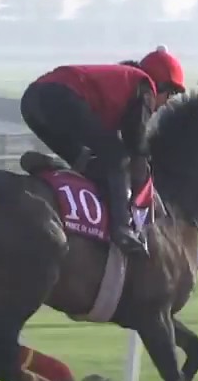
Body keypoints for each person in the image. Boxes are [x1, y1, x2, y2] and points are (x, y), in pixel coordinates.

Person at [20, 45, 186, 257]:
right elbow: (135, 143)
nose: (165, 104)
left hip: (32, 100)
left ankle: (49, 166)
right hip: (59, 97)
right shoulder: (145, 88)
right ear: (161, 85)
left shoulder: (125, 80)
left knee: (86, 159)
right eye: (169, 95)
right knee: (118, 157)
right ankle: (122, 229)